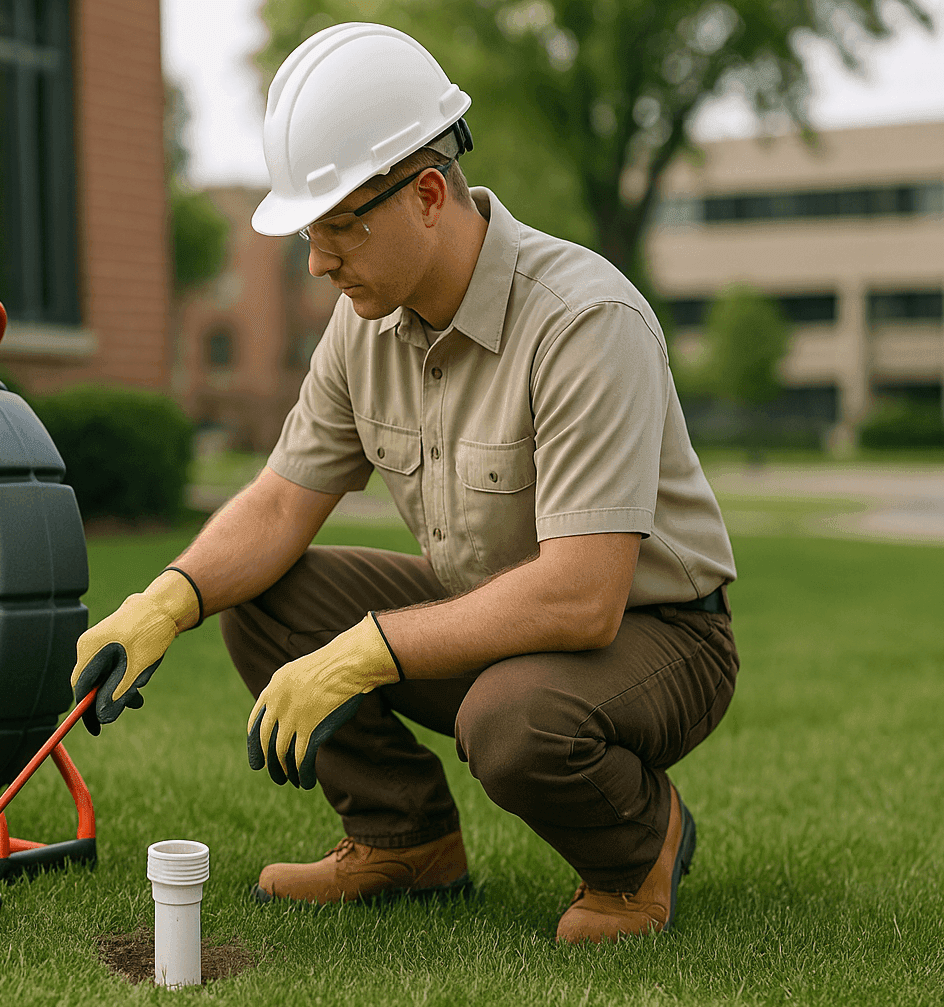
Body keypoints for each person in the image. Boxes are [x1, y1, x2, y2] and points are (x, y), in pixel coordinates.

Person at [69, 22, 739, 944]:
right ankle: (406, 841)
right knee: (265, 596)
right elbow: (277, 503)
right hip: (493, 613)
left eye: (339, 225)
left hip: (655, 633)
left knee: (512, 721)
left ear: (428, 195)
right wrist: (167, 600)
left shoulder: (585, 322)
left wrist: (361, 653)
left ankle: (640, 849)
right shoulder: (362, 324)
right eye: (311, 230)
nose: (318, 261)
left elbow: (585, 597)